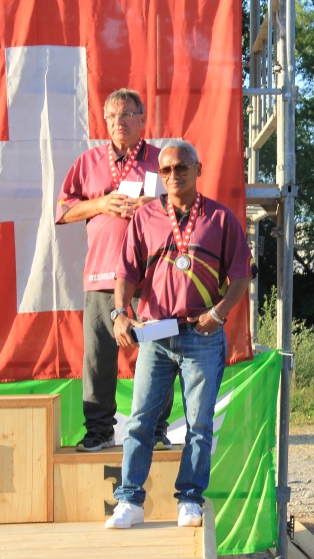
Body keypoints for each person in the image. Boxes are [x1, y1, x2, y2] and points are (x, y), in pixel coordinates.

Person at [105, 140, 256, 529]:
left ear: (198, 168)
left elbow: (241, 276)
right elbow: (125, 273)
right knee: (139, 420)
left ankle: (189, 498)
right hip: (155, 334)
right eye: (167, 169)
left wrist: (219, 314)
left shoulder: (221, 220)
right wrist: (120, 313)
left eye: (182, 167)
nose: (174, 175)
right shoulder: (146, 217)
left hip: (201, 336)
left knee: (199, 425)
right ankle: (129, 501)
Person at [56, 88, 172, 452]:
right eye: (112, 117)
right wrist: (102, 203)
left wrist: (155, 204)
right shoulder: (88, 162)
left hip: (153, 277)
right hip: (102, 274)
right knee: (97, 357)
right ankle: (100, 431)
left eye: (126, 115)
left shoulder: (163, 159)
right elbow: (62, 211)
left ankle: (155, 430)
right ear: (104, 122)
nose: (119, 122)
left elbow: (189, 205)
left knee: (158, 353)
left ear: (142, 119)